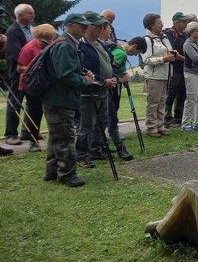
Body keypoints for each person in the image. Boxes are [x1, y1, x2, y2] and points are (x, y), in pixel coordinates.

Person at [41, 13, 96, 187]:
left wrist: (81, 75)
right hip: (60, 99)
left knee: (56, 137)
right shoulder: (65, 46)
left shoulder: (67, 43)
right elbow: (65, 75)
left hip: (58, 98)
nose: (85, 28)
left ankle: (51, 172)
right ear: (70, 25)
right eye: (82, 25)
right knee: (65, 137)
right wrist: (85, 81)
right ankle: (67, 174)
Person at [75, 12, 128, 167]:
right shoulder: (81, 46)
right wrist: (103, 81)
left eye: (102, 26)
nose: (101, 29)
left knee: (103, 120)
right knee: (86, 125)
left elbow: (109, 62)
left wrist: (115, 76)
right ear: (88, 27)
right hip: (88, 92)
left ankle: (96, 148)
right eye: (98, 26)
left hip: (104, 91)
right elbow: (84, 69)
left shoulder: (101, 43)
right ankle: (81, 154)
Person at [15, 23, 58, 148]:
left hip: (44, 84)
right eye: (47, 38)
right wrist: (34, 69)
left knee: (44, 110)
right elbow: (19, 68)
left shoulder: (48, 46)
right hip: (32, 84)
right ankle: (32, 142)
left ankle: (31, 133)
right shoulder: (29, 47)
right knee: (35, 112)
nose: (49, 41)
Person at [99, 20, 133, 160]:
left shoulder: (105, 46)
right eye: (108, 29)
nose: (111, 33)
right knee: (98, 122)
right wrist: (119, 78)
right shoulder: (90, 46)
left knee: (111, 119)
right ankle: (98, 148)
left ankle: (119, 148)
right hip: (99, 88)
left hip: (109, 88)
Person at [4, 3, 35, 146]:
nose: (33, 15)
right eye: (30, 13)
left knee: (33, 103)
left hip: (32, 73)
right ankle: (10, 134)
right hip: (19, 72)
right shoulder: (13, 31)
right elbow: (13, 55)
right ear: (20, 15)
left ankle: (28, 132)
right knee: (15, 103)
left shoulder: (31, 29)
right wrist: (23, 68)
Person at [141, 13, 176, 137]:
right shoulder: (147, 39)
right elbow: (146, 60)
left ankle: (160, 126)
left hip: (165, 74)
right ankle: (151, 128)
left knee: (162, 101)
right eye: (159, 23)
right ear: (151, 25)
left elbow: (169, 51)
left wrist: (172, 54)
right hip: (154, 76)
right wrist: (164, 59)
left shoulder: (163, 37)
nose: (162, 24)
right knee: (153, 102)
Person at [164, 12, 190, 127]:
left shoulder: (184, 34)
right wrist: (186, 59)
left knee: (182, 92)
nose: (186, 24)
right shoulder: (170, 34)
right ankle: (167, 118)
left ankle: (178, 117)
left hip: (183, 68)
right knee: (172, 93)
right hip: (174, 68)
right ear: (177, 22)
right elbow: (172, 52)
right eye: (184, 22)